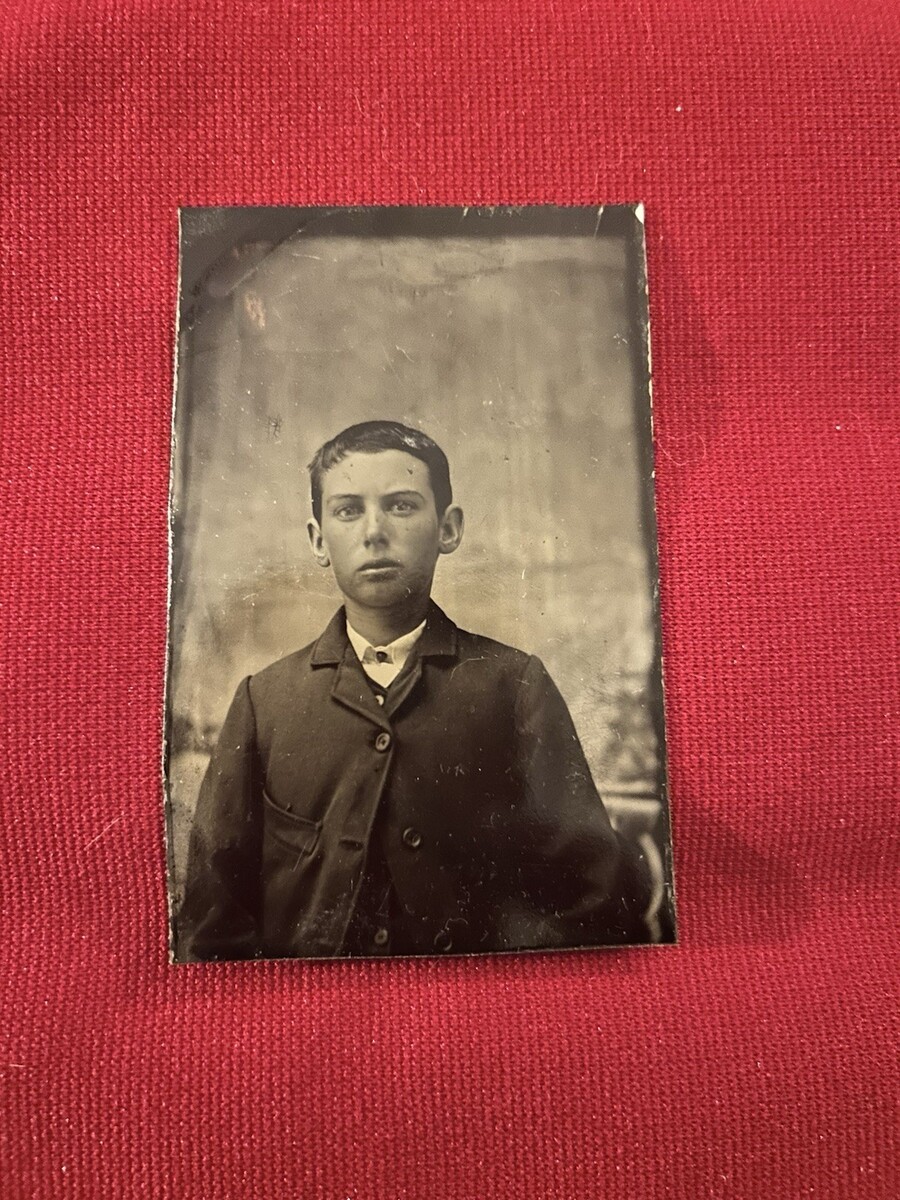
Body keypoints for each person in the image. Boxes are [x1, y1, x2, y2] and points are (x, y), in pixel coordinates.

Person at [177, 420, 652, 961]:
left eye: (401, 506)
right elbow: (213, 922)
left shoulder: (515, 685)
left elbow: (591, 899)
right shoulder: (264, 702)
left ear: (448, 528)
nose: (374, 531)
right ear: (318, 539)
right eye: (348, 510)